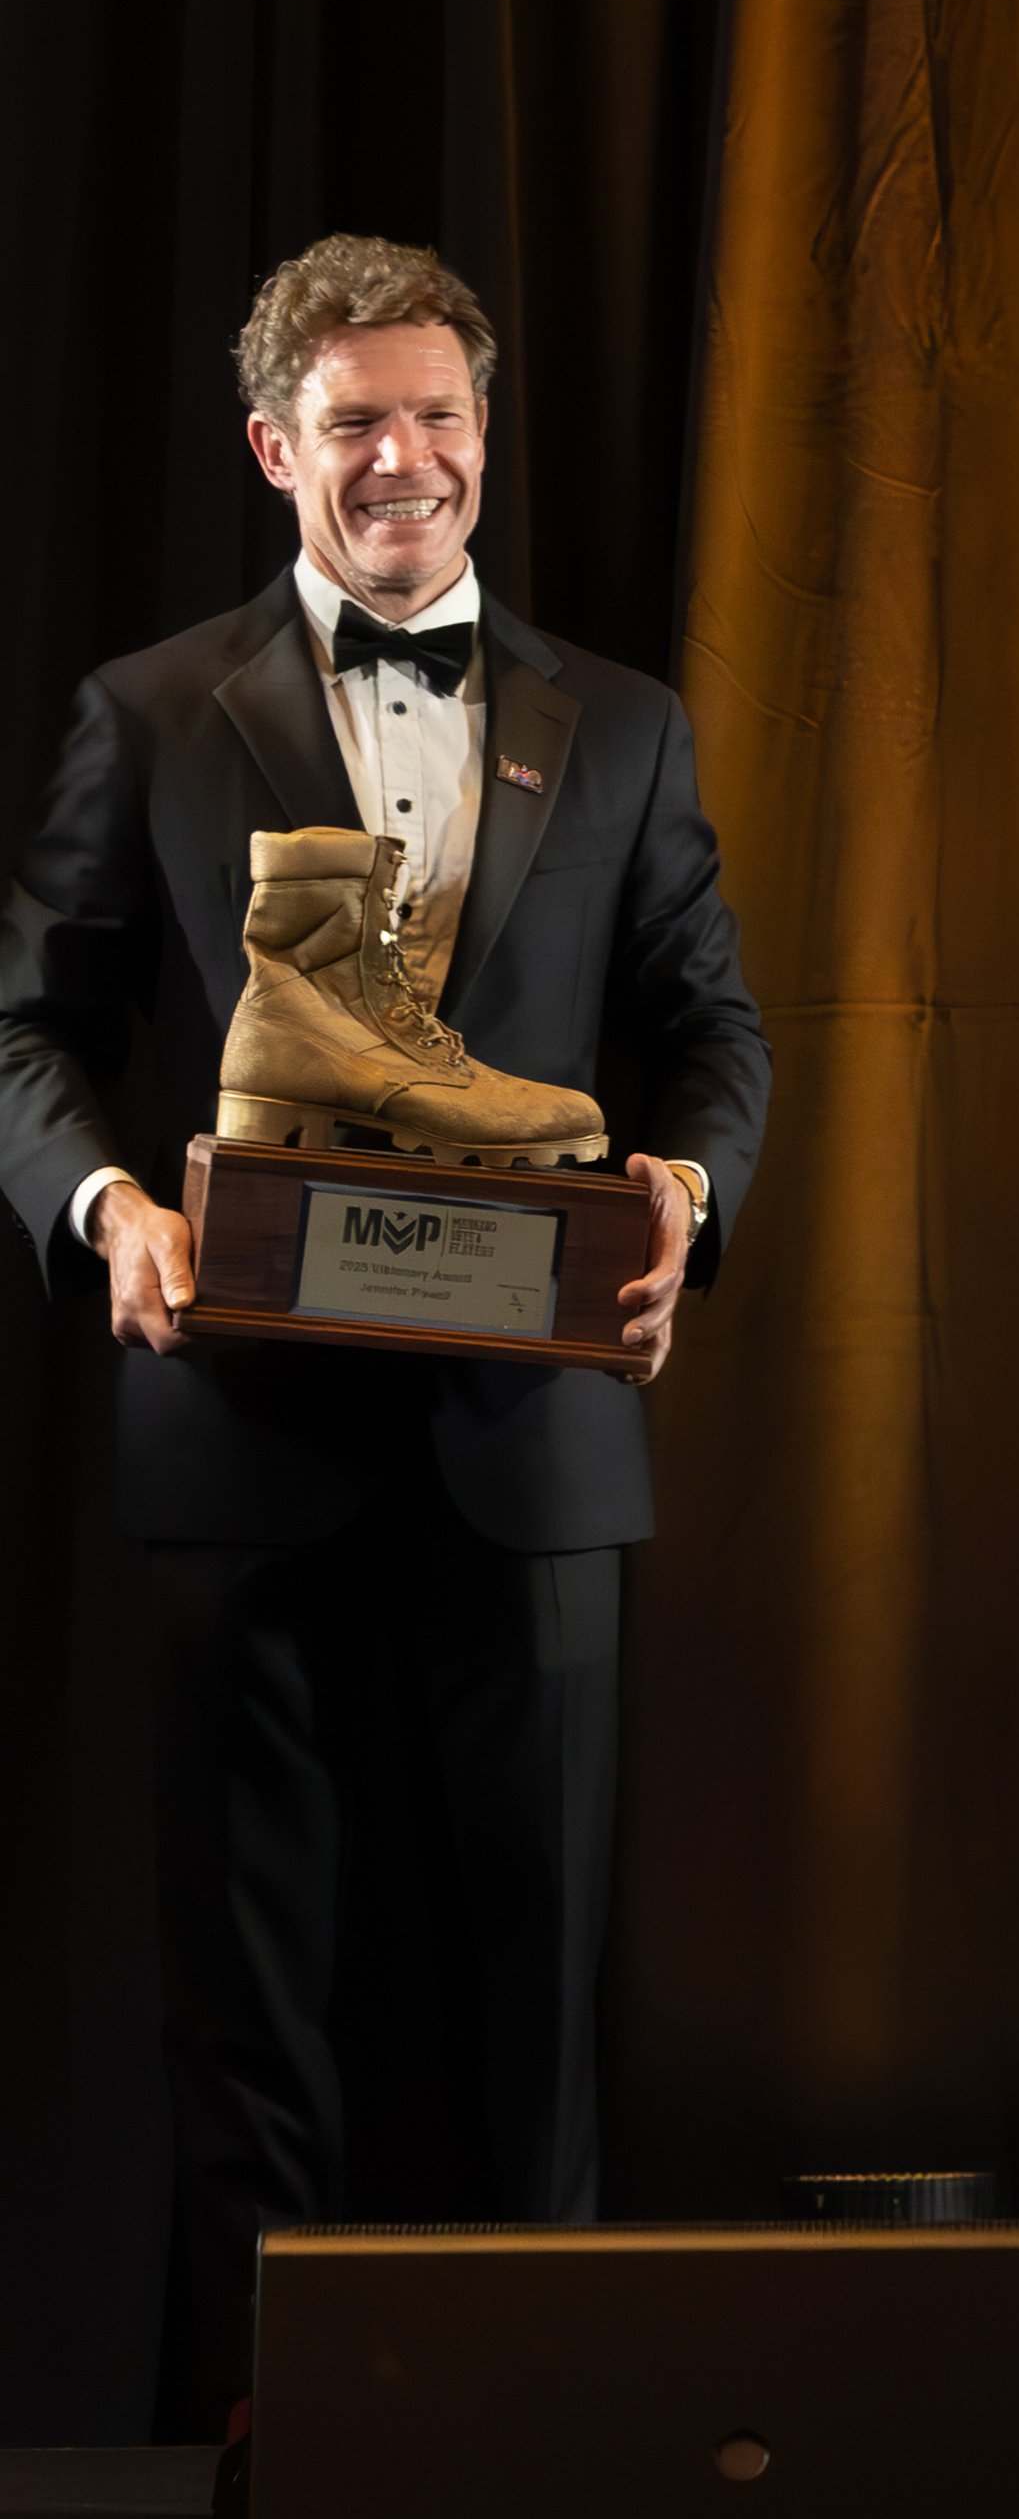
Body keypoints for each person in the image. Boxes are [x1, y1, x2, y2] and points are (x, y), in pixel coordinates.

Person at [0, 234, 771, 2438]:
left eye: (437, 417)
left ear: (483, 437)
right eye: (355, 425)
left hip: (530, 1441)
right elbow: (26, 1027)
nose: (404, 460)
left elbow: (712, 1027)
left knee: (530, 1993)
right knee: (252, 1995)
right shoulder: (149, 708)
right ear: (277, 448)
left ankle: (528, 2421)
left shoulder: (619, 722)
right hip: (237, 1429)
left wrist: (686, 1189)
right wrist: (108, 1203)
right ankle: (272, 2430)